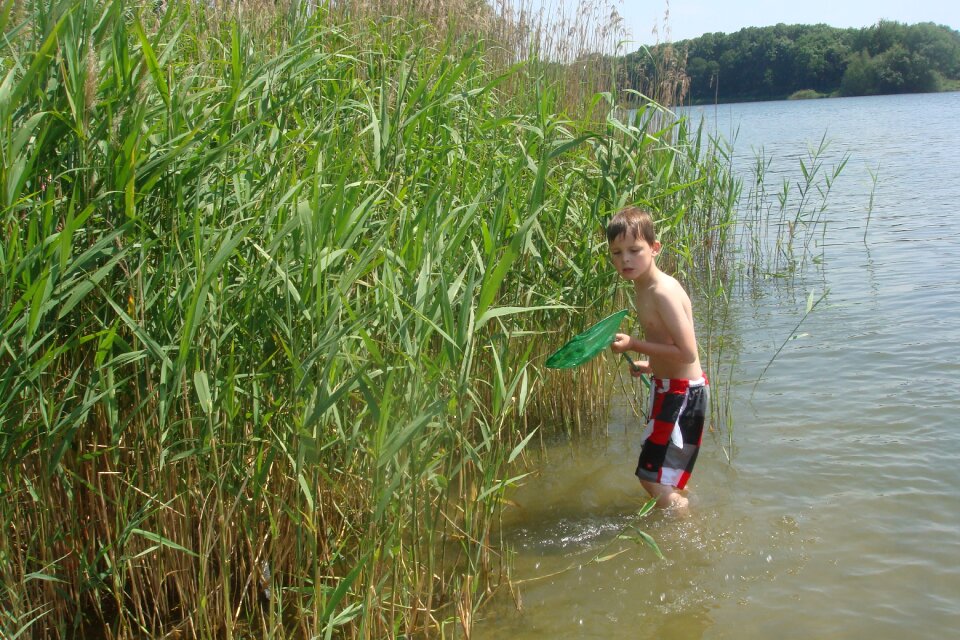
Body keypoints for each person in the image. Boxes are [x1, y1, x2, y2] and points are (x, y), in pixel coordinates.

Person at [606, 206, 708, 510]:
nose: (625, 259)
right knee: (665, 474)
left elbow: (688, 351)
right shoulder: (643, 287)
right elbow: (673, 347)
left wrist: (635, 344)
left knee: (650, 477)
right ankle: (681, 509)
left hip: (683, 394)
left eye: (635, 250)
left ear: (655, 248)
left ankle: (682, 528)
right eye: (616, 252)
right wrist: (650, 365)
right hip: (670, 387)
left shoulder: (661, 291)